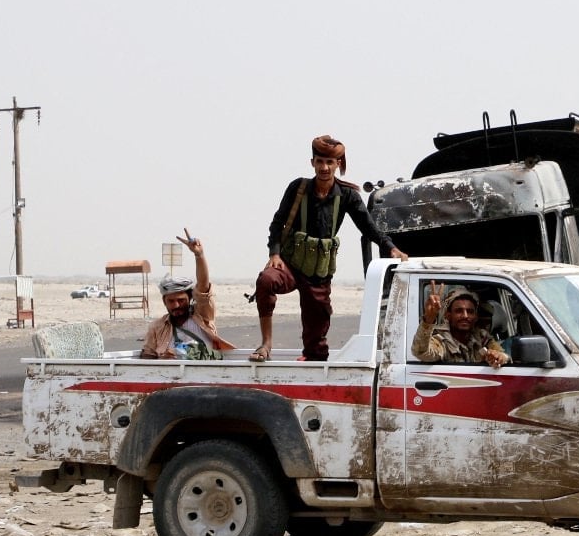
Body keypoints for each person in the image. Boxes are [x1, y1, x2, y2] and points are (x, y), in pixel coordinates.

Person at [250, 135, 406, 362]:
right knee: (266, 281)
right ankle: (265, 345)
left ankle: (312, 361)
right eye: (320, 161)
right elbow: (277, 222)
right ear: (312, 162)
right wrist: (274, 253)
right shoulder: (298, 188)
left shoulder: (347, 195)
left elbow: (368, 227)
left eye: (330, 162)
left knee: (317, 342)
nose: (324, 167)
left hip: (318, 273)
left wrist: (391, 247)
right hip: (290, 263)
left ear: (338, 164)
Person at [141, 229, 236, 359]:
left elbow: (203, 287)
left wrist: (199, 255)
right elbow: (148, 356)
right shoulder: (157, 327)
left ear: (190, 298)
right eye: (171, 301)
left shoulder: (202, 316)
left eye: (181, 300)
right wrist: (163, 361)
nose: (176, 305)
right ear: (164, 302)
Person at [411, 282, 510, 368]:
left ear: (475, 317)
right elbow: (421, 352)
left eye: (470, 311)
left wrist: (499, 357)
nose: (465, 316)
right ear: (448, 315)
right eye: (459, 311)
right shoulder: (442, 340)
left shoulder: (482, 337)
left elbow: (504, 356)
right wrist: (428, 320)